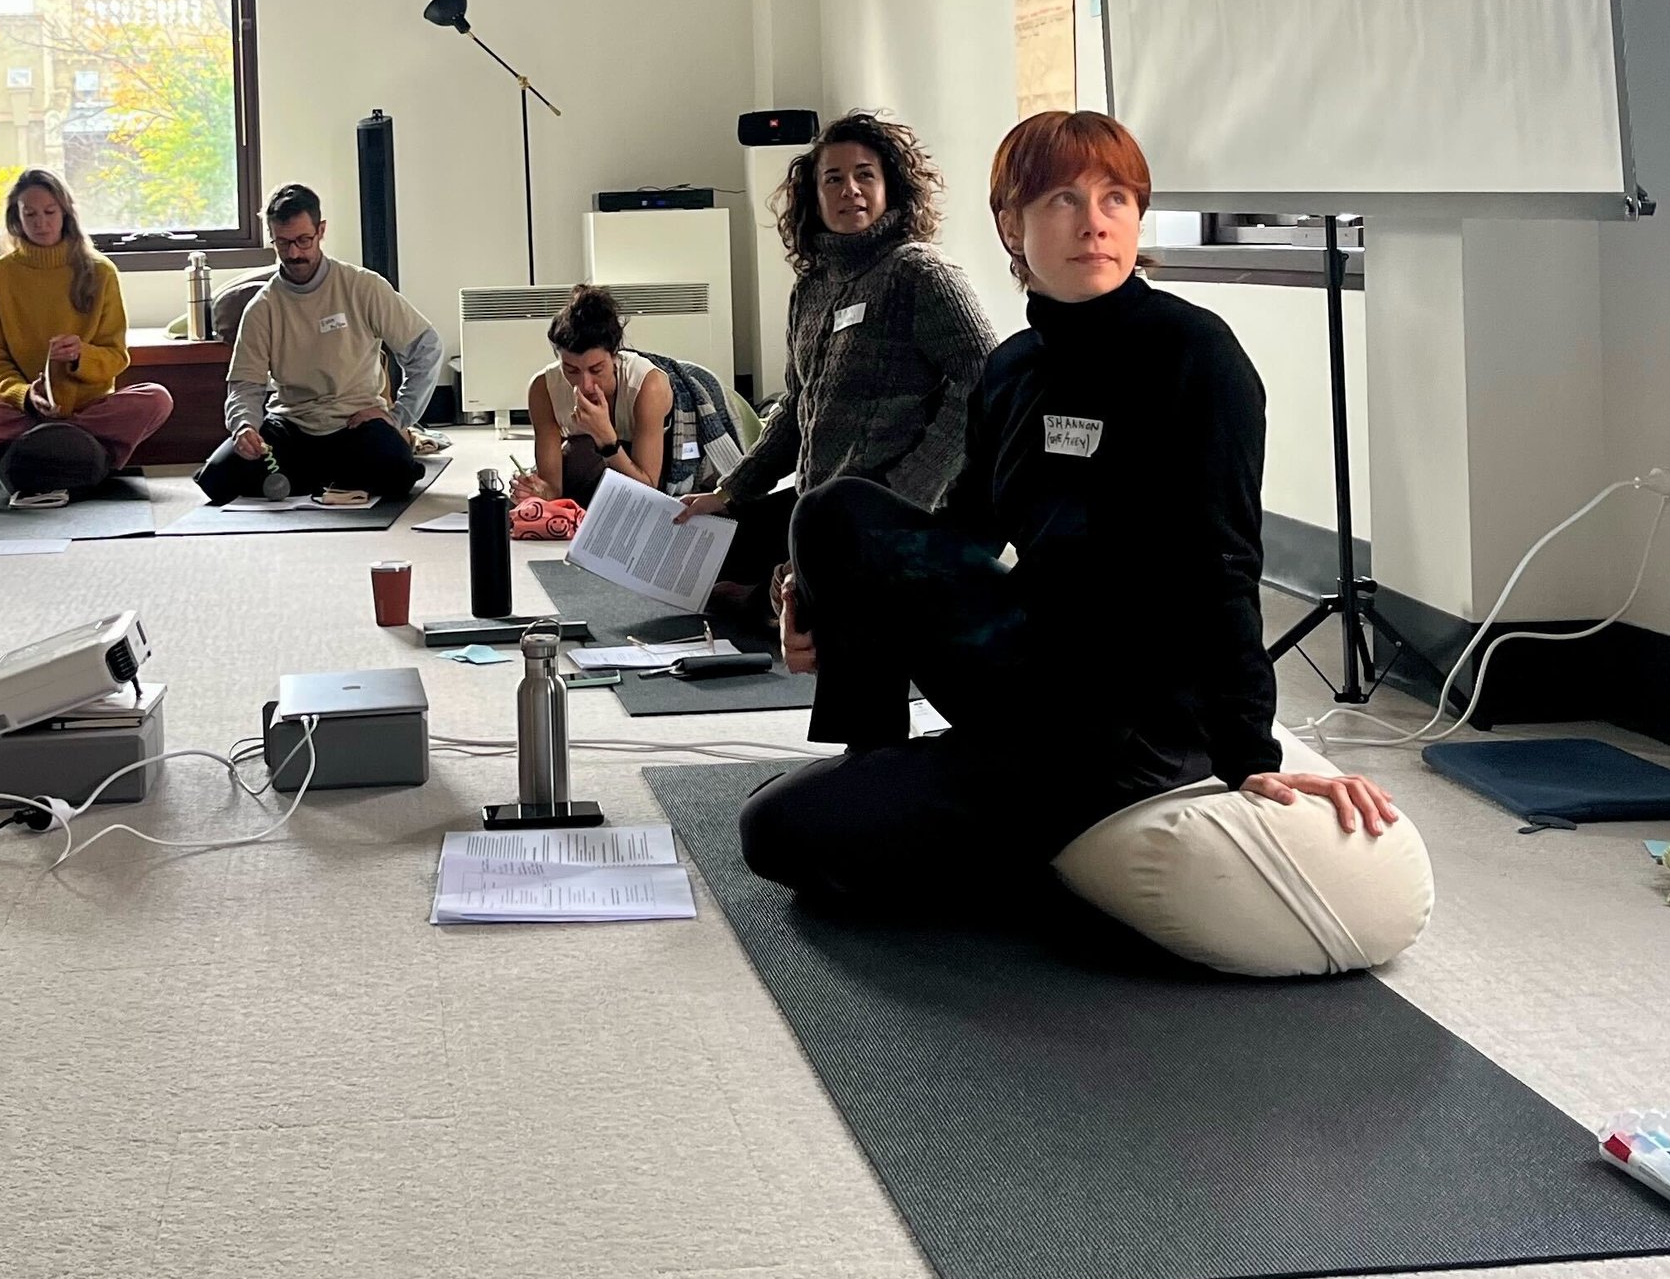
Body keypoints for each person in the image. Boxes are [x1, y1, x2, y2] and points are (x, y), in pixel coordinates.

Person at [737, 108, 1397, 910]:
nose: (1094, 223)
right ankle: (876, 753)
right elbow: (961, 535)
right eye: (1062, 200)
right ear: (1012, 225)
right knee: (831, 512)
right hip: (1029, 669)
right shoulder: (1012, 368)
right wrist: (824, 595)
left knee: (772, 831)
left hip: (1130, 726)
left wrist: (1247, 749)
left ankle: (939, 799)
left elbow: (1224, 566)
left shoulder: (1197, 356)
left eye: (1116, 197)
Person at [677, 109, 995, 637]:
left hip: (890, 508)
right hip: (817, 503)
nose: (851, 189)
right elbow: (795, 409)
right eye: (834, 178)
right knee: (707, 546)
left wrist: (909, 491)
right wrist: (729, 490)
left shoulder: (918, 272)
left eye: (865, 174)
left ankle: (779, 597)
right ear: (816, 197)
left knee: (766, 608)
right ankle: (779, 592)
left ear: (890, 185)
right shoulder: (810, 289)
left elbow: (983, 381)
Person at [0, 168, 175, 482]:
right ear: (16, 218)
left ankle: (42, 445)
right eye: (30, 214)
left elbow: (115, 356)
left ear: (66, 214)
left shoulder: (101, 271)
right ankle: (71, 447)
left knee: (156, 398)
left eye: (49, 212)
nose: (41, 222)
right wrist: (26, 396)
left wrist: (81, 355)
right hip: (21, 412)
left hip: (88, 409)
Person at [197, 182, 441, 505]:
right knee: (217, 478)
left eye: (303, 240)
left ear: (321, 230)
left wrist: (398, 418)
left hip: (355, 425)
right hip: (290, 427)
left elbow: (426, 348)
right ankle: (326, 479)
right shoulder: (262, 308)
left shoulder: (361, 286)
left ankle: (313, 478)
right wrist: (244, 427)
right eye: (283, 244)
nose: (294, 253)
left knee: (396, 471)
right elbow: (245, 385)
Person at [515, 285, 671, 508]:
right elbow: (554, 489)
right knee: (579, 456)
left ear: (615, 354)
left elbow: (647, 491)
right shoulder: (543, 389)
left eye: (596, 370)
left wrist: (606, 440)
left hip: (656, 458)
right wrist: (537, 492)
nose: (585, 384)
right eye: (571, 370)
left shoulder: (647, 385)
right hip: (598, 460)